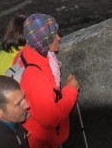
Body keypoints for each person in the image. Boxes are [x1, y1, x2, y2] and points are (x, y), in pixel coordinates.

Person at [19, 13, 79, 148]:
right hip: (42, 141)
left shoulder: (29, 53)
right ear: (43, 40)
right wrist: (71, 90)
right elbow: (50, 118)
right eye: (53, 36)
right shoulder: (35, 77)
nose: (59, 38)